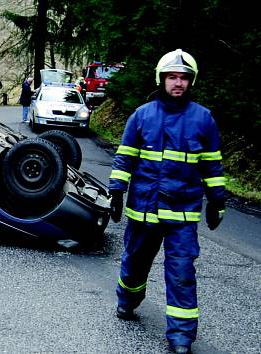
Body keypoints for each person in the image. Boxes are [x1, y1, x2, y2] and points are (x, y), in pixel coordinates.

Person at [108, 49, 226, 354]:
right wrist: (117, 191)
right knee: (134, 264)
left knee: (182, 274)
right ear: (162, 79)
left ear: (191, 82)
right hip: (143, 210)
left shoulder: (203, 119)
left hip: (182, 214)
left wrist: (217, 201)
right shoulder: (142, 115)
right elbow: (125, 158)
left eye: (184, 78)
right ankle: (127, 301)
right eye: (173, 76)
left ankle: (181, 337)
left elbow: (212, 165)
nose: (178, 83)